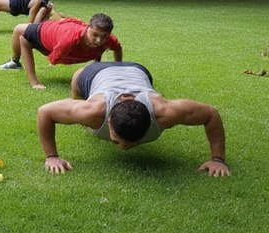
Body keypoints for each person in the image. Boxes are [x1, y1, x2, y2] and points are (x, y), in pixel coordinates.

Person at [37, 60, 230, 176]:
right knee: (78, 89)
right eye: (117, 141)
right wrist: (52, 157)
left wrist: (218, 160)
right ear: (109, 121)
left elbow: (210, 114)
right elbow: (45, 111)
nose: (123, 148)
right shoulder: (93, 111)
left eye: (133, 144)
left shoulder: (164, 113)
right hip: (95, 72)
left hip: (136, 70)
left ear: (151, 122)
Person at [0, 12, 122, 89]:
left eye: (104, 36)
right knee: (20, 32)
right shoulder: (69, 40)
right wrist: (34, 83)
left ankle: (54, 17)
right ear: (88, 28)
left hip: (61, 30)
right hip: (43, 33)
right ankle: (15, 62)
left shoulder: (109, 40)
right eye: (95, 35)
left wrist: (117, 68)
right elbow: (53, 59)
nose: (99, 40)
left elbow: (117, 48)